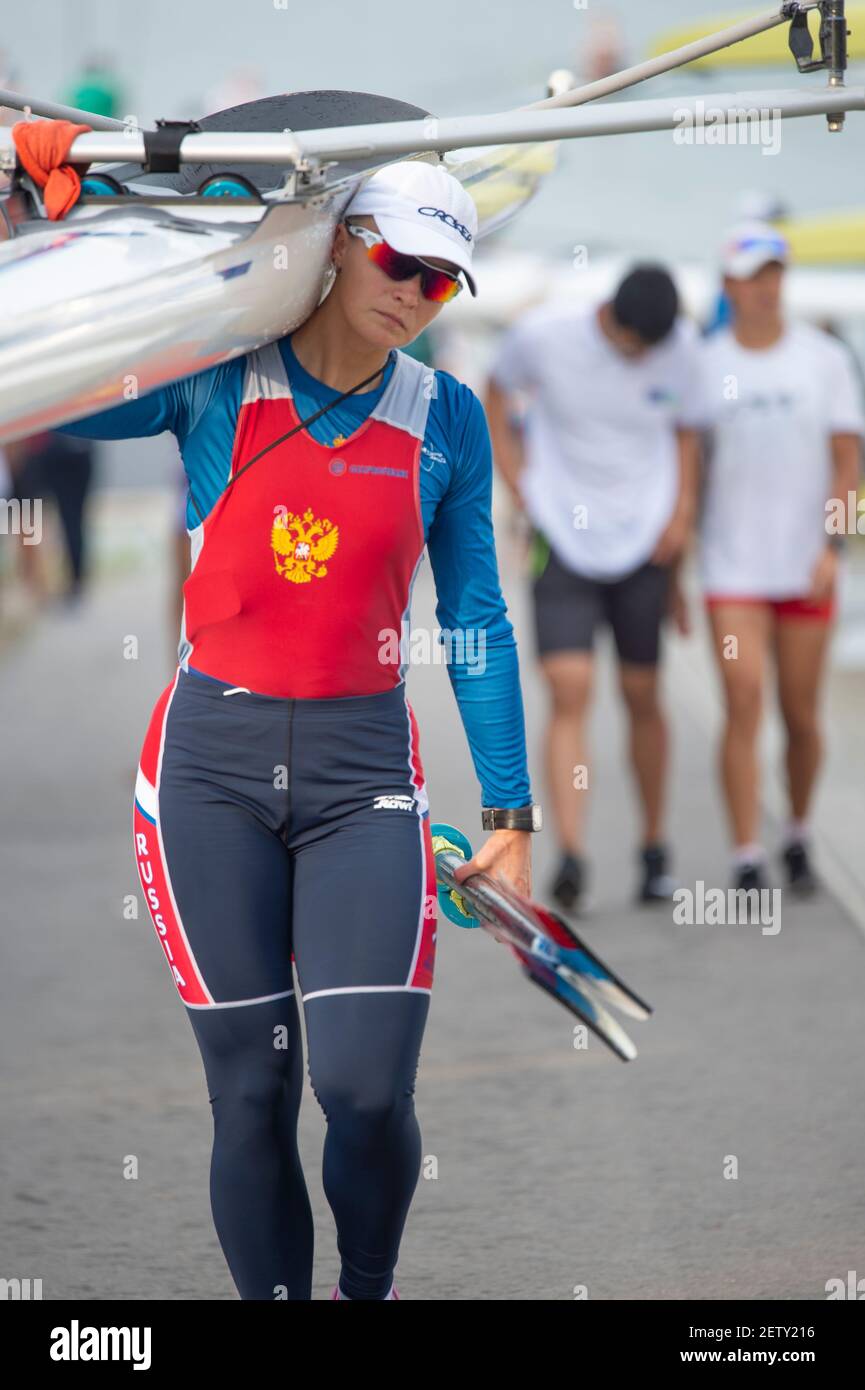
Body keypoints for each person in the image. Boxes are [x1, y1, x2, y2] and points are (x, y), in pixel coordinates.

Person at [59, 158, 541, 1301]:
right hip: (204, 777)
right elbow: (59, 390)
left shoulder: (446, 420)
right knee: (253, 1092)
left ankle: (361, 1289)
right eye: (398, 261)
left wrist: (510, 813)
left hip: (364, 776)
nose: (415, 293)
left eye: (441, 282)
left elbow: (472, 620)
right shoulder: (216, 384)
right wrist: (62, 218)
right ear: (336, 241)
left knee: (367, 1090)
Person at [485, 266, 703, 914]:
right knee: (568, 687)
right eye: (634, 343)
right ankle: (573, 852)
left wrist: (683, 514)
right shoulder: (543, 336)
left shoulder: (679, 348)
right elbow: (493, 392)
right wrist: (517, 482)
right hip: (561, 532)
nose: (643, 356)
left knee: (641, 693)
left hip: (645, 539)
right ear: (608, 314)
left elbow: (688, 431)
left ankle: (653, 846)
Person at [698, 223, 864, 893]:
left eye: (774, 274)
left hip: (804, 565)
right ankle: (744, 853)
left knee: (800, 713)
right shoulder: (705, 360)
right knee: (743, 701)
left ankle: (795, 831)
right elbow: (683, 461)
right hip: (730, 567)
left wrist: (833, 544)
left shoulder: (822, 358)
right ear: (728, 285)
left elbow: (846, 461)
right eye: (752, 276)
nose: (766, 288)